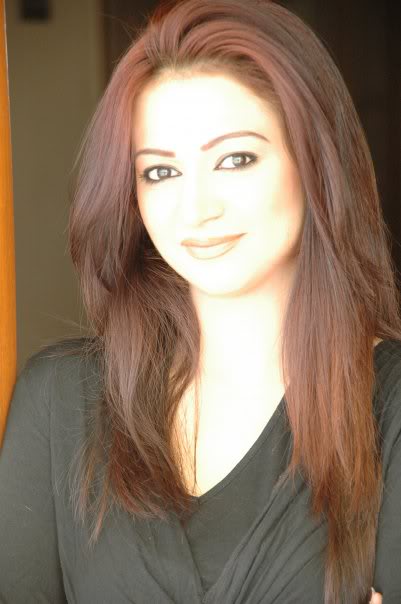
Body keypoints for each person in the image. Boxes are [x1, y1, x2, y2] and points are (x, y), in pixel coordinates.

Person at [0, 0, 398, 602]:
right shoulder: (59, 404)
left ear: (315, 162)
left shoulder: (390, 408)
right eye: (161, 172)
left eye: (235, 159)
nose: (197, 209)